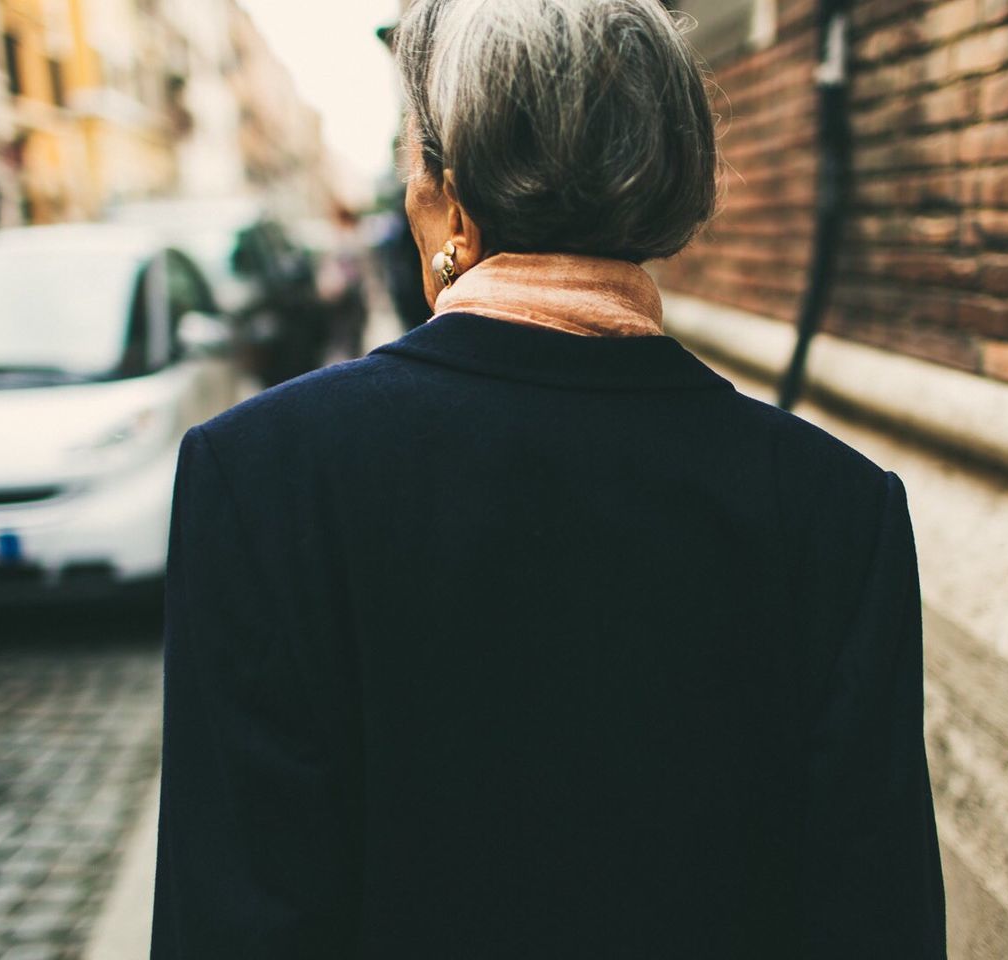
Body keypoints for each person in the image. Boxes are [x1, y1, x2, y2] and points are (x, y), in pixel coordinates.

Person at [150, 0, 946, 956]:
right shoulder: (837, 507)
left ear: (445, 195)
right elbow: (875, 919)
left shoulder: (259, 476)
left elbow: (231, 917)